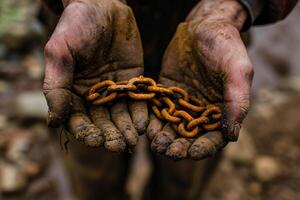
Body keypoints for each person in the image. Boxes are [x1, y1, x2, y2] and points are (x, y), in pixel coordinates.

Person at [42, 0, 298, 199]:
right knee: (93, 172)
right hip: (93, 39)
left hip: (203, 36)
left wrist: (231, 8)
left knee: (183, 180)